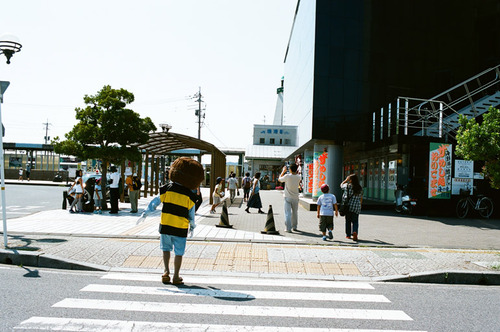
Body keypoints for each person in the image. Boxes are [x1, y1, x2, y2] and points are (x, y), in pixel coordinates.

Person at [139, 157, 204, 285]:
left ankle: (166, 272)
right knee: (179, 252)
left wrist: (145, 213)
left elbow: (155, 202)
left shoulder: (166, 189)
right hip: (180, 227)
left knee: (166, 249)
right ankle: (176, 276)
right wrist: (192, 227)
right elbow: (191, 214)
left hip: (166, 224)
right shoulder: (189, 196)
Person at [278, 164, 301, 232]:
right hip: (295, 197)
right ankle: (295, 226)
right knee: (295, 212)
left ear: (290, 169)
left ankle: (288, 228)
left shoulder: (287, 176)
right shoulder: (298, 177)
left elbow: (279, 179)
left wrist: (283, 171)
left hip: (287, 197)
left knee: (288, 213)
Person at [340, 173, 363, 241]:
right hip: (356, 206)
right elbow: (361, 198)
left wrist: (345, 180)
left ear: (350, 180)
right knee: (355, 221)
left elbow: (341, 185)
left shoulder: (347, 186)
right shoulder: (359, 188)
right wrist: (360, 205)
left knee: (348, 221)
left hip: (348, 206)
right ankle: (355, 231)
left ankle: (348, 235)